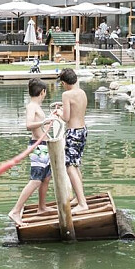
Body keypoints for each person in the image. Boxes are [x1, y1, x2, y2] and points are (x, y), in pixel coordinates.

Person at [8, 78, 54, 225]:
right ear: (43, 92)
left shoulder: (37, 106)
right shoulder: (32, 106)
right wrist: (44, 122)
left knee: (46, 178)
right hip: (38, 147)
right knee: (35, 180)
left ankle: (42, 207)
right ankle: (15, 211)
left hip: (45, 146)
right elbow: (28, 125)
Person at [55, 68, 89, 213]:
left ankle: (82, 203)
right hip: (83, 130)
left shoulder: (66, 94)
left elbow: (66, 118)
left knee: (69, 166)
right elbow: (76, 110)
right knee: (76, 165)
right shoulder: (81, 92)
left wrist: (58, 112)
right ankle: (79, 198)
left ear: (64, 82)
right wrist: (64, 108)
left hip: (73, 132)